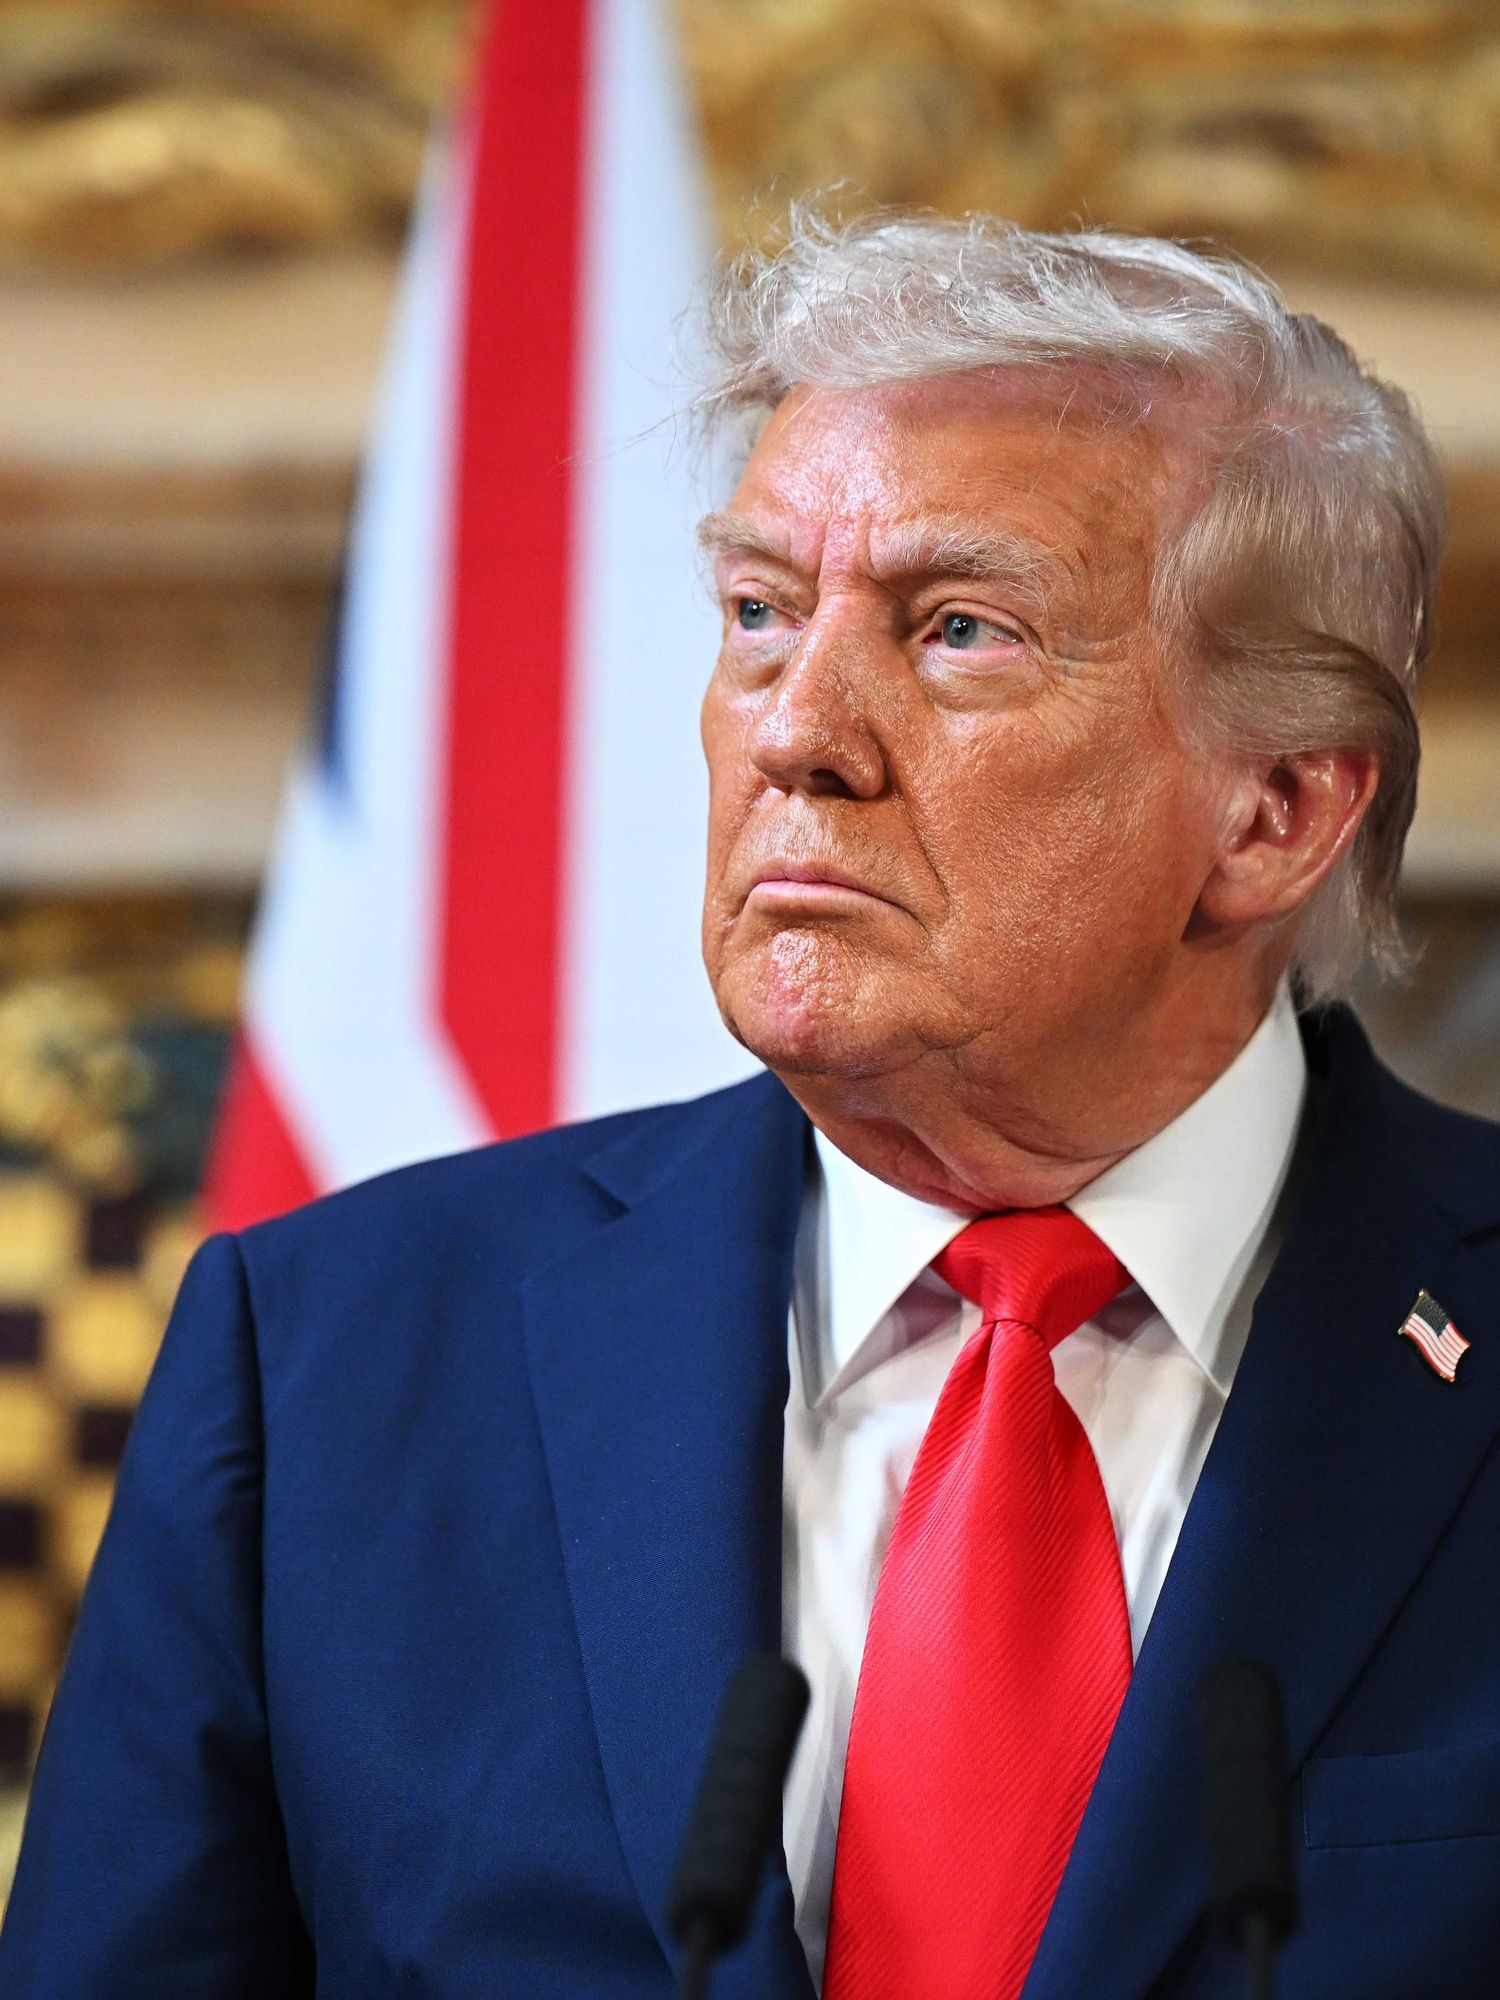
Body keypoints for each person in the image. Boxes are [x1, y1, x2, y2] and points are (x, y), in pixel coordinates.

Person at [4, 213, 1499, 2000]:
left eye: (960, 630)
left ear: (1274, 814)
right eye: (761, 612)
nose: (800, 732)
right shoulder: (330, 1365)